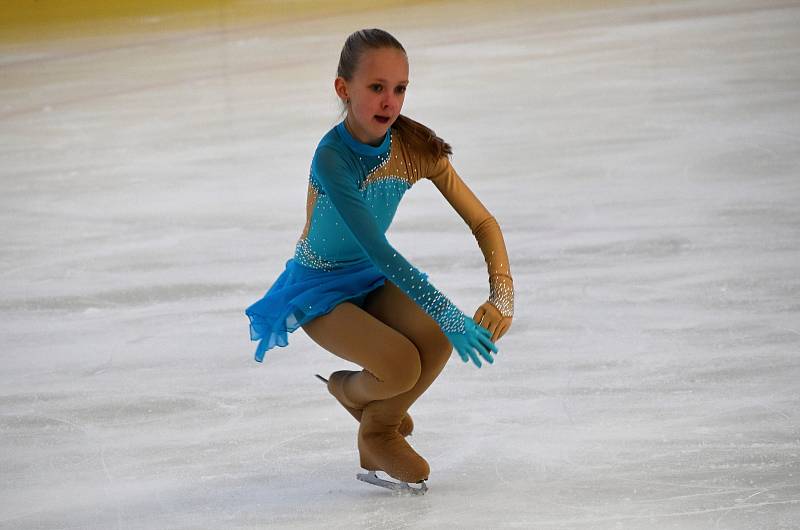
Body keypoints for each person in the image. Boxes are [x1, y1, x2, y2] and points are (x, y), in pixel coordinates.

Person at [245, 28, 514, 491]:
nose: (390, 101)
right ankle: (345, 388)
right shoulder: (333, 158)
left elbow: (484, 222)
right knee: (400, 365)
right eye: (376, 88)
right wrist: (450, 312)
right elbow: (379, 248)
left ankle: (378, 429)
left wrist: (502, 293)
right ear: (343, 89)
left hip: (369, 279)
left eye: (399, 89)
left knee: (434, 340)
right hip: (320, 288)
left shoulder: (413, 150)